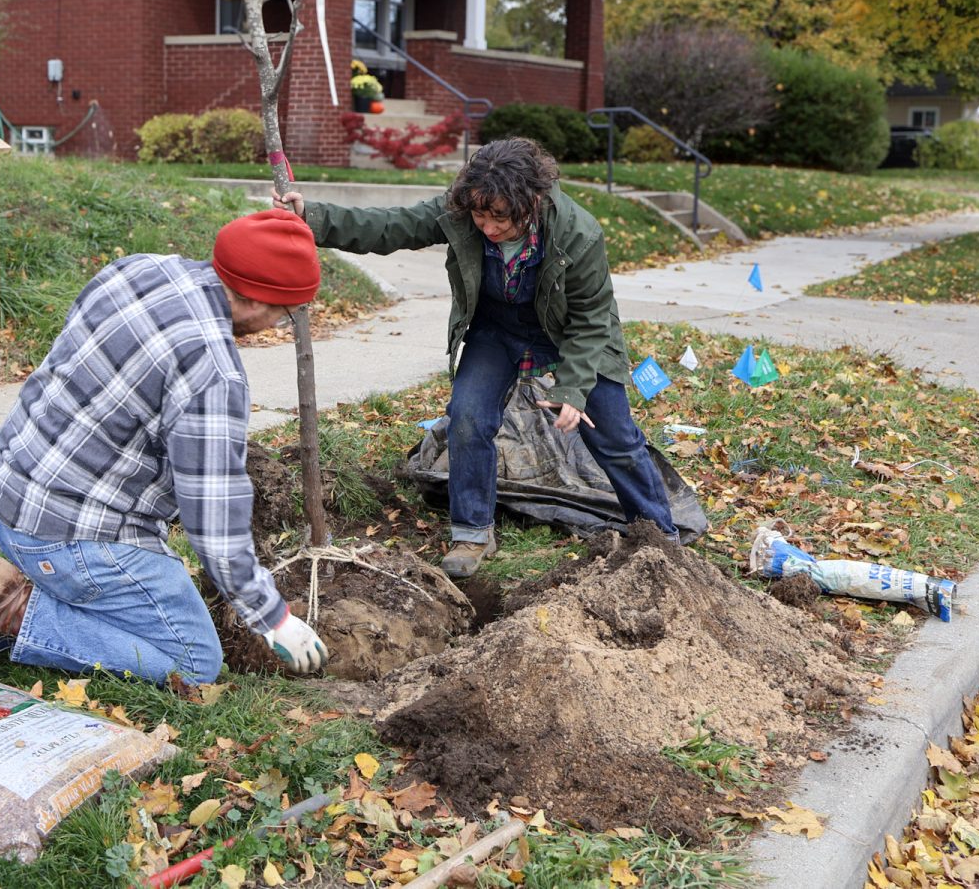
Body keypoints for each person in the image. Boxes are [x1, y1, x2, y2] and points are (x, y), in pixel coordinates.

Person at [0, 210, 329, 682]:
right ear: (258, 301)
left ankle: (5, 590)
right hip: (68, 541)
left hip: (9, 500)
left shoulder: (139, 270)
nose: (281, 325)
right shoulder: (211, 371)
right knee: (194, 664)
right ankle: (8, 610)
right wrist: (271, 615)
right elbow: (213, 517)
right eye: (287, 313)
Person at [276, 136, 678, 578]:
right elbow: (390, 226)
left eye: (500, 217)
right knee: (467, 417)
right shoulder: (463, 210)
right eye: (479, 215)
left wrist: (573, 390)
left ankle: (658, 534)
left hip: (569, 333)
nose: (487, 227)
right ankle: (472, 532)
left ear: (533, 201)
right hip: (496, 328)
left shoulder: (578, 234)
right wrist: (312, 217)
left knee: (614, 434)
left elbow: (591, 321)